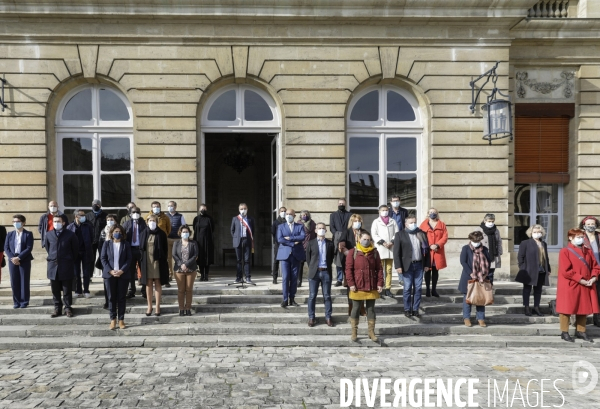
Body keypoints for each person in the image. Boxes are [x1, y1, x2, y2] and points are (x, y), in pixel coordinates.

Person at [556, 228, 600, 342]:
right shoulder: (565, 251)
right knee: (566, 309)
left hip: (586, 283)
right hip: (570, 284)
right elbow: (566, 270)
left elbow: (595, 266)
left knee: (583, 308)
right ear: (570, 238)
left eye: (582, 237)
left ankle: (581, 331)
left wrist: (594, 277)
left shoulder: (588, 251)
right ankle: (564, 332)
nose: (581, 239)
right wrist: (580, 279)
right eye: (578, 237)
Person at [345, 231, 383, 342]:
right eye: (364, 239)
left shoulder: (374, 252)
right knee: (356, 308)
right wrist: (351, 283)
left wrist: (380, 283)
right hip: (357, 286)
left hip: (371, 285)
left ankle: (371, 332)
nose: (366, 241)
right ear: (359, 239)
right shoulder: (353, 252)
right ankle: (354, 332)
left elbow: (379, 269)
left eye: (368, 239)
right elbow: (348, 270)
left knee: (371, 309)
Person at [393, 216, 431, 318]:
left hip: (419, 264)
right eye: (411, 222)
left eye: (414, 222)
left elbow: (427, 251)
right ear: (406, 224)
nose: (413, 224)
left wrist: (427, 264)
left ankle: (415, 309)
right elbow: (396, 252)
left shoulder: (421, 234)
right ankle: (407, 309)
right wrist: (398, 266)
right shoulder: (400, 235)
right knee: (407, 288)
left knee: (418, 288)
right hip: (407, 266)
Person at [44, 216, 79, 318]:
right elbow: (48, 247)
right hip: (53, 265)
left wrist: (68, 259)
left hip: (66, 265)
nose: (56, 223)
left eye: (58, 221)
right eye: (54, 221)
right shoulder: (49, 234)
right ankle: (57, 307)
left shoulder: (70, 234)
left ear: (63, 223)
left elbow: (75, 250)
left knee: (66, 289)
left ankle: (68, 307)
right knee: (55, 289)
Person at [100, 224, 132, 330]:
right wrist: (110, 271)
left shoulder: (126, 244)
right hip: (110, 275)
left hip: (123, 274)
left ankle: (121, 320)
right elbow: (103, 258)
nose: (117, 233)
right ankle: (113, 319)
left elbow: (129, 259)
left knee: (121, 298)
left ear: (122, 234)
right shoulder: (107, 244)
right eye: (115, 231)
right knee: (111, 297)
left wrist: (122, 270)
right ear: (112, 233)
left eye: (119, 232)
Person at [458, 231, 491, 327]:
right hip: (469, 277)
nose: (476, 242)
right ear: (471, 239)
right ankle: (466, 318)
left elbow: (488, 262)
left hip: (482, 278)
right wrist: (471, 273)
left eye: (478, 240)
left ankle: (481, 319)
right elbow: (463, 262)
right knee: (467, 299)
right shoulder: (466, 248)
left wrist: (485, 274)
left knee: (480, 299)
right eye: (474, 240)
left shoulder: (484, 249)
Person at [517, 224, 551, 317]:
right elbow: (520, 257)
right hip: (528, 269)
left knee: (538, 290)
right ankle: (527, 307)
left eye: (539, 232)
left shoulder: (543, 244)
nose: (537, 234)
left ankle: (536, 307)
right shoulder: (525, 243)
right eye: (535, 232)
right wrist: (522, 268)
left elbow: (546, 258)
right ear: (531, 233)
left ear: (542, 233)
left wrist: (548, 268)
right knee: (527, 289)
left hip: (541, 269)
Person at [306, 222, 335, 327]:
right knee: (312, 296)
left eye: (323, 228)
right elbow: (308, 258)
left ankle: (328, 317)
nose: (321, 230)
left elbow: (331, 257)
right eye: (319, 228)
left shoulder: (330, 243)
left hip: (326, 272)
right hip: (314, 272)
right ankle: (311, 317)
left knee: (327, 296)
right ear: (315, 230)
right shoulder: (311, 243)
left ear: (326, 231)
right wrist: (313, 267)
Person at [337, 214, 366, 316]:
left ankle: (362, 307)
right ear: (351, 222)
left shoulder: (364, 232)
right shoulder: (346, 231)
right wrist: (350, 254)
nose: (357, 223)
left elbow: (369, 243)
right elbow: (341, 245)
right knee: (350, 285)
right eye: (355, 221)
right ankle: (351, 307)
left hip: (362, 262)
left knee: (362, 284)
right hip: (350, 262)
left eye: (358, 221)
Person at [140, 214, 169, 316]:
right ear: (147, 222)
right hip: (147, 261)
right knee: (148, 283)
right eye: (150, 220)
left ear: (157, 222)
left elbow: (165, 249)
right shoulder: (143, 233)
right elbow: (141, 248)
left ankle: (157, 306)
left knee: (157, 281)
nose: (152, 222)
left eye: (154, 220)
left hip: (157, 261)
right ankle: (149, 306)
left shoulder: (161, 233)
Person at [277, 208, 306, 308]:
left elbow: (303, 236)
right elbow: (280, 239)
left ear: (294, 216)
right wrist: (294, 242)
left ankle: (292, 298)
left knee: (294, 278)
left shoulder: (299, 226)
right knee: (285, 278)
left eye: (290, 214)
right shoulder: (281, 226)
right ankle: (285, 299)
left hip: (296, 255)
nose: (288, 215)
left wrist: (290, 238)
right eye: (287, 214)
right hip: (285, 255)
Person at [4, 215, 34, 308]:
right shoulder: (10, 234)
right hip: (12, 259)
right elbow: (6, 247)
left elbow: (29, 248)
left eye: (18, 221)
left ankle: (24, 301)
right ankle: (16, 302)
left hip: (24, 259)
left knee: (24, 280)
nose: (15, 223)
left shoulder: (28, 234)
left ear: (23, 223)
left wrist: (19, 258)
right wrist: (12, 258)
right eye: (14, 221)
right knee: (14, 281)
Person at [371, 204, 399, 298]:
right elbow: (374, 234)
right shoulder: (376, 221)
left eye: (386, 210)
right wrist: (383, 242)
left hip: (391, 248)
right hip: (381, 248)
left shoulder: (393, 221)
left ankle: (388, 288)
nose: (385, 211)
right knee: (379, 269)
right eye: (383, 210)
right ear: (379, 211)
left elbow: (397, 233)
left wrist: (391, 241)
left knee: (389, 270)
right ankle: (379, 288)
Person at [419, 208, 448, 298]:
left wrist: (437, 245)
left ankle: (434, 289)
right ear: (428, 214)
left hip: (438, 251)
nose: (432, 214)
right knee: (427, 270)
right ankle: (427, 289)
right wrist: (430, 245)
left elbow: (445, 236)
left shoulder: (442, 224)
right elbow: (420, 236)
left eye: (434, 212)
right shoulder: (423, 225)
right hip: (427, 251)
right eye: (431, 212)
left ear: (437, 213)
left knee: (435, 271)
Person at [67, 209, 94, 298]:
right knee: (76, 273)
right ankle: (78, 290)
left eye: (84, 215)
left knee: (86, 273)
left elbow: (92, 238)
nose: (83, 217)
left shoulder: (88, 225)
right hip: (75, 253)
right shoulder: (70, 227)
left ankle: (86, 290)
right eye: (81, 215)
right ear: (76, 216)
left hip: (86, 252)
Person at [172, 225, 198, 316]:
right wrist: (181, 264)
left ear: (189, 233)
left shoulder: (193, 243)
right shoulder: (176, 243)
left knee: (189, 289)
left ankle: (188, 308)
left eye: (187, 232)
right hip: (179, 270)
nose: (185, 233)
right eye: (183, 232)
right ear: (180, 233)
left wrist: (186, 264)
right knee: (181, 290)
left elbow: (195, 255)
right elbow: (174, 255)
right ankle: (181, 308)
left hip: (191, 269)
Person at [579, 216, 600, 326]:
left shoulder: (599, 236)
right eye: (588, 224)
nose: (591, 226)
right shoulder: (580, 237)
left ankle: (598, 319)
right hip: (587, 270)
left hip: (598, 269)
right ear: (584, 225)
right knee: (586, 295)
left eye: (593, 224)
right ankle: (581, 320)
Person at [146, 201, 172, 286]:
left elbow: (169, 228)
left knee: (165, 259)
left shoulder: (165, 217)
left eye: (157, 206)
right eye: (154, 206)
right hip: (150, 241)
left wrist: (163, 236)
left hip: (162, 240)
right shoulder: (147, 216)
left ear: (160, 207)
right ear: (151, 207)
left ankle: (166, 279)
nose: (156, 208)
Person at [123, 206, 146, 299]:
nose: (135, 213)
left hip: (141, 249)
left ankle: (144, 290)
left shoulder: (143, 223)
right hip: (130, 249)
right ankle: (131, 290)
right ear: (130, 213)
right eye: (133, 212)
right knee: (130, 271)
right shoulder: (126, 224)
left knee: (143, 271)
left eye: (137, 211)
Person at [230, 203, 255, 284]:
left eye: (244, 208)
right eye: (241, 209)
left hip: (247, 240)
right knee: (238, 260)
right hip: (238, 241)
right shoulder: (235, 218)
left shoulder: (250, 219)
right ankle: (238, 277)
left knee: (247, 260)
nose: (243, 210)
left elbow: (253, 230)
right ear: (239, 210)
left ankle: (248, 277)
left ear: (247, 209)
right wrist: (236, 237)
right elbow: (232, 230)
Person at [475, 213, 502, 285]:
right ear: (485, 220)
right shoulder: (479, 229)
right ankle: (482, 291)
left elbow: (499, 241)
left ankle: (489, 291)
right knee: (482, 274)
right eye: (489, 221)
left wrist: (499, 252)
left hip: (493, 255)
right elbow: (475, 241)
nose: (491, 223)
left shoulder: (496, 230)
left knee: (490, 274)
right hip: (482, 255)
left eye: (492, 221)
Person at [329, 198, 352, 286]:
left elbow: (350, 226)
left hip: (347, 240)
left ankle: (347, 278)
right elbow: (332, 227)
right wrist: (338, 235)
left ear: (345, 204)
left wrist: (345, 235)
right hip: (337, 239)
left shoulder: (350, 214)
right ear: (337, 204)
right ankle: (339, 279)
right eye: (340, 203)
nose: (341, 205)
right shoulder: (333, 215)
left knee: (347, 259)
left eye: (342, 203)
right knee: (338, 260)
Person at [99, 214, 117, 309]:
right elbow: (100, 246)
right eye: (108, 219)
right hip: (106, 261)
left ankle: (116, 301)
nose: (109, 221)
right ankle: (108, 302)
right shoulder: (103, 231)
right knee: (107, 283)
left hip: (117, 260)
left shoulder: (119, 231)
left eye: (111, 219)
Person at [192, 204, 214, 282]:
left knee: (207, 258)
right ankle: (202, 275)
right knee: (200, 258)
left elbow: (212, 229)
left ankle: (206, 275)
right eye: (201, 209)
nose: (203, 210)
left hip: (207, 241)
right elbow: (194, 228)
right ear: (199, 209)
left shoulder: (209, 218)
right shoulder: (196, 219)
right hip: (198, 241)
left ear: (206, 209)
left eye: (204, 209)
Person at [86, 199, 107, 278]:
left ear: (100, 206)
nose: (96, 205)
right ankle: (89, 276)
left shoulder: (105, 215)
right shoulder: (88, 216)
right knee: (91, 259)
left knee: (103, 257)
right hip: (91, 241)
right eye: (94, 204)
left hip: (102, 240)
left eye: (97, 204)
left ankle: (105, 275)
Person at [166, 201, 186, 284]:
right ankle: (170, 274)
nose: (170, 207)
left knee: (178, 257)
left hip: (177, 240)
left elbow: (184, 226)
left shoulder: (180, 216)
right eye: (168, 206)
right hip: (168, 239)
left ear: (175, 207)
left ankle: (178, 273)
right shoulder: (165, 216)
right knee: (169, 258)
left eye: (171, 206)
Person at [297, 209, 316, 287]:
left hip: (311, 247)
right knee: (300, 265)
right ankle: (299, 281)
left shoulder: (313, 223)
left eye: (306, 215)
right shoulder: (298, 224)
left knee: (311, 265)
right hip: (301, 247)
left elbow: (315, 235)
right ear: (300, 216)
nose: (305, 216)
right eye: (303, 215)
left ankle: (312, 280)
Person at [270, 206, 286, 284]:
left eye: (284, 211)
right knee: (276, 261)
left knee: (286, 261)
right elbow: (273, 232)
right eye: (282, 211)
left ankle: (286, 277)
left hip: (286, 244)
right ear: (279, 212)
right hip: (278, 244)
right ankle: (275, 278)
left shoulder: (287, 221)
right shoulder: (276, 222)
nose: (283, 212)